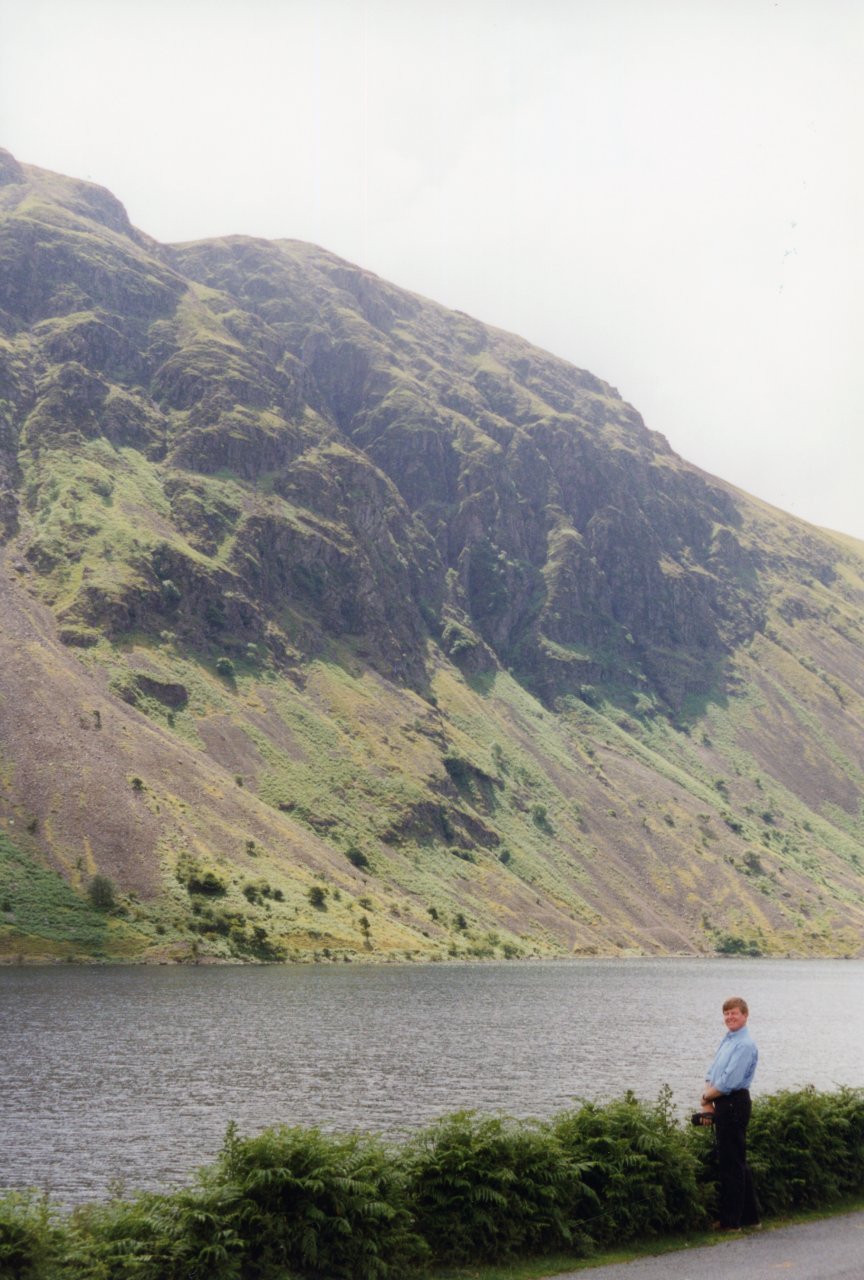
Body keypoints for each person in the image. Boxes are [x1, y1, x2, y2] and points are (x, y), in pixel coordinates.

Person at [699, 996, 760, 1231]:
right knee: (737, 1161)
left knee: (731, 1164)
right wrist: (708, 1098)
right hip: (724, 1102)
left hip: (734, 1103)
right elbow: (712, 1072)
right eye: (726, 1014)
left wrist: (706, 1097)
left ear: (745, 1015)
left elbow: (728, 1082)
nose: (729, 1017)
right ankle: (750, 1218)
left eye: (734, 1013)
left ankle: (731, 1222)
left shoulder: (744, 1044)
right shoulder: (728, 1039)